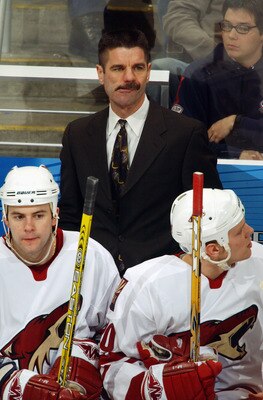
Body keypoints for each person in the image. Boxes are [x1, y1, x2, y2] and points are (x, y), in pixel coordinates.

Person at [58, 29, 222, 276]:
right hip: (95, 278)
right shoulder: (77, 134)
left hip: (163, 280)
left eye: (137, 67)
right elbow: (71, 215)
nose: (129, 77)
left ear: (148, 71)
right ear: (100, 73)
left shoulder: (185, 134)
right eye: (117, 68)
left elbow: (209, 212)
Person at [99, 188, 263, 399]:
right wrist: (164, 387)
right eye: (239, 231)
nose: (251, 230)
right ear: (214, 249)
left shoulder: (259, 261)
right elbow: (114, 363)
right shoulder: (147, 284)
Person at [0, 165, 120, 399]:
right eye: (18, 216)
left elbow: (116, 337)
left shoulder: (91, 255)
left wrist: (85, 359)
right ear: (5, 217)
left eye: (38, 215)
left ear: (55, 214)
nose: (28, 227)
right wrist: (16, 385)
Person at [172, 0, 263, 160]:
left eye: (243, 28)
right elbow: (183, 141)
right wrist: (235, 155)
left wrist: (237, 123)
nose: (231, 35)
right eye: (227, 26)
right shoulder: (198, 75)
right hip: (215, 173)